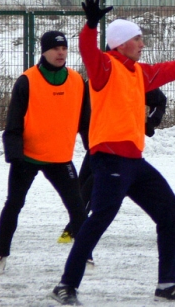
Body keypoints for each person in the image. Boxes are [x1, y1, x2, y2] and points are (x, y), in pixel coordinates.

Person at [48, 0, 175, 305]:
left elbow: (169, 69)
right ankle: (66, 285)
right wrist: (91, 25)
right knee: (99, 218)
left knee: (171, 212)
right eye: (138, 38)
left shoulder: (138, 73)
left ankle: (169, 283)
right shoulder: (105, 66)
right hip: (110, 158)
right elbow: (88, 50)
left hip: (134, 161)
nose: (143, 43)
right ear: (120, 44)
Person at [0, 31, 90, 274]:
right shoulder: (27, 80)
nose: (61, 53)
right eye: (56, 48)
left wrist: (94, 149)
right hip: (27, 157)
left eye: (64, 48)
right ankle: (1, 254)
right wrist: (14, 155)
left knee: (77, 207)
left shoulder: (77, 81)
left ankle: (86, 255)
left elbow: (85, 122)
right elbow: (13, 123)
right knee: (14, 204)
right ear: (44, 51)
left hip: (60, 158)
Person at [57, 87, 167, 244]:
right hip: (95, 147)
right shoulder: (87, 86)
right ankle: (76, 228)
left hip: (115, 151)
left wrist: (150, 123)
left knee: (91, 190)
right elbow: (77, 117)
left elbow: (159, 100)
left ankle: (75, 231)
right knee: (81, 188)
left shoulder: (128, 81)